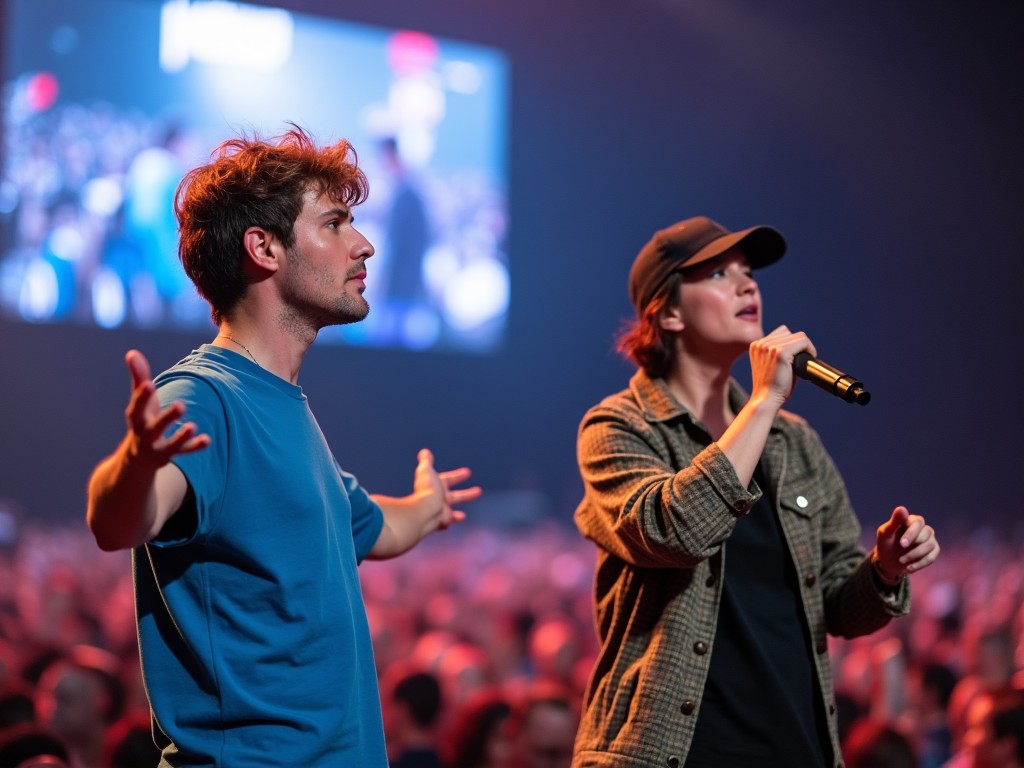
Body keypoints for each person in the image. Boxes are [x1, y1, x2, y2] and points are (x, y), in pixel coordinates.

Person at [84, 126, 481, 767]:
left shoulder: (287, 408)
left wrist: (427, 506)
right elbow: (119, 520)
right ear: (264, 248)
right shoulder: (203, 397)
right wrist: (137, 461)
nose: (364, 244)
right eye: (334, 224)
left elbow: (374, 526)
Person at [570, 216, 941, 767]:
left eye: (749, 272)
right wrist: (763, 401)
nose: (748, 285)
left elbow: (841, 609)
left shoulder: (795, 443)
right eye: (719, 273)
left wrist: (884, 569)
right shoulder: (621, 427)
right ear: (668, 313)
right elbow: (675, 531)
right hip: (672, 752)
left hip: (796, 746)